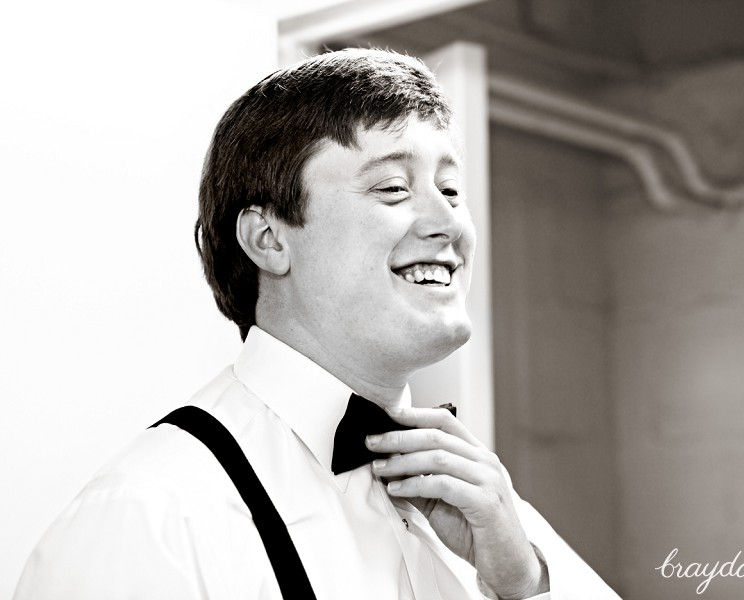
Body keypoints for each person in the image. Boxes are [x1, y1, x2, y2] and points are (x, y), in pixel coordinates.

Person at [14, 48, 620, 599]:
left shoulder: (497, 519)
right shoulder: (149, 521)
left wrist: (525, 582)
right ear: (269, 238)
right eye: (391, 187)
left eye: (452, 189)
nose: (449, 223)